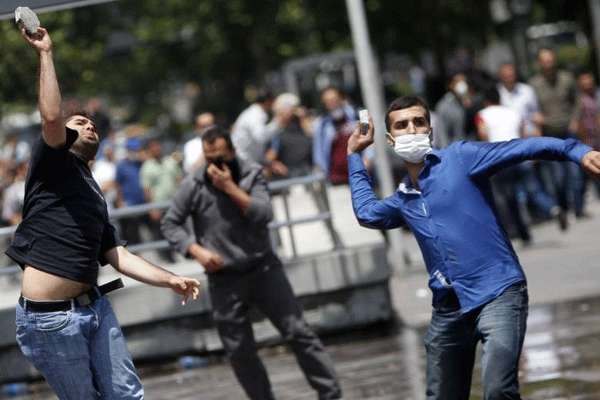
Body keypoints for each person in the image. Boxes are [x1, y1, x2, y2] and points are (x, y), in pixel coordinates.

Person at [346, 95, 600, 400]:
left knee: (497, 390)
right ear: (390, 139)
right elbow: (367, 213)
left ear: (430, 130)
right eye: (402, 125)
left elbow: (524, 148)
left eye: (419, 122)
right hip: (449, 310)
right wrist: (354, 155)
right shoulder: (402, 200)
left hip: (499, 293)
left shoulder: (461, 158)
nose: (411, 130)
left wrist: (577, 150)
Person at [8, 26, 200, 399]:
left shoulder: (92, 191)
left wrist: (169, 279)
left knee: (128, 396)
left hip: (95, 307)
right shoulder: (52, 163)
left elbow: (117, 254)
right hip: (51, 319)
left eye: (92, 123)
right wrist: (45, 53)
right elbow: (50, 117)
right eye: (78, 122)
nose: (88, 124)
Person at [161, 126, 342, 400]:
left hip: (263, 268)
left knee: (298, 332)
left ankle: (330, 393)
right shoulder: (194, 183)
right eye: (210, 159)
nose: (216, 165)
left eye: (221, 157)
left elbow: (263, 213)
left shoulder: (251, 172)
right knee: (239, 350)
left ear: (232, 152)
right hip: (224, 278)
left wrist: (230, 188)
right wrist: (195, 250)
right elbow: (170, 223)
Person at [497, 63, 567, 229]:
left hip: (529, 141)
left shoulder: (526, 91)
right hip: (507, 146)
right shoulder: (498, 94)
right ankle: (543, 212)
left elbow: (536, 115)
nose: (509, 77)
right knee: (520, 186)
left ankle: (547, 210)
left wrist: (538, 135)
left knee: (536, 181)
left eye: (511, 74)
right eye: (506, 75)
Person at [529, 48, 583, 218]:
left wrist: (575, 120)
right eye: (544, 61)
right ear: (539, 64)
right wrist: (536, 120)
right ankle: (563, 207)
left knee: (575, 173)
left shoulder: (566, 78)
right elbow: (531, 108)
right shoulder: (534, 84)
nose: (548, 64)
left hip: (569, 131)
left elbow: (578, 100)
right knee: (558, 178)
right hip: (549, 135)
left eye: (550, 60)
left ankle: (579, 209)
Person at [570, 70, 600, 205]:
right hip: (588, 141)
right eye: (584, 79)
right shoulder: (579, 100)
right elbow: (575, 123)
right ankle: (578, 206)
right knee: (587, 175)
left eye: (589, 78)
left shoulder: (598, 94)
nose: (587, 82)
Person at [231, 88, 278, 165]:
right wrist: (278, 123)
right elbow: (260, 137)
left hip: (246, 160)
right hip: (243, 161)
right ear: (268, 101)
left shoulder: (253, 113)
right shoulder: (256, 114)